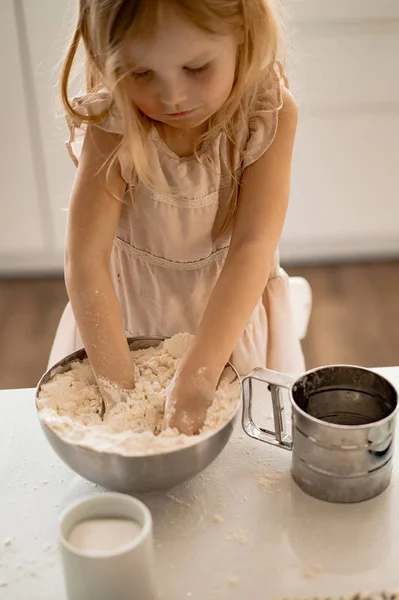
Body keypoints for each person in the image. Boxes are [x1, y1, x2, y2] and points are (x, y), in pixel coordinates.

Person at [49, 0, 305, 435]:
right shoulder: (115, 120)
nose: (172, 97)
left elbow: (252, 248)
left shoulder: (267, 116)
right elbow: (86, 261)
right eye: (140, 73)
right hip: (124, 322)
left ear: (243, 31)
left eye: (198, 67)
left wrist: (200, 375)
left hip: (227, 325)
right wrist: (123, 396)